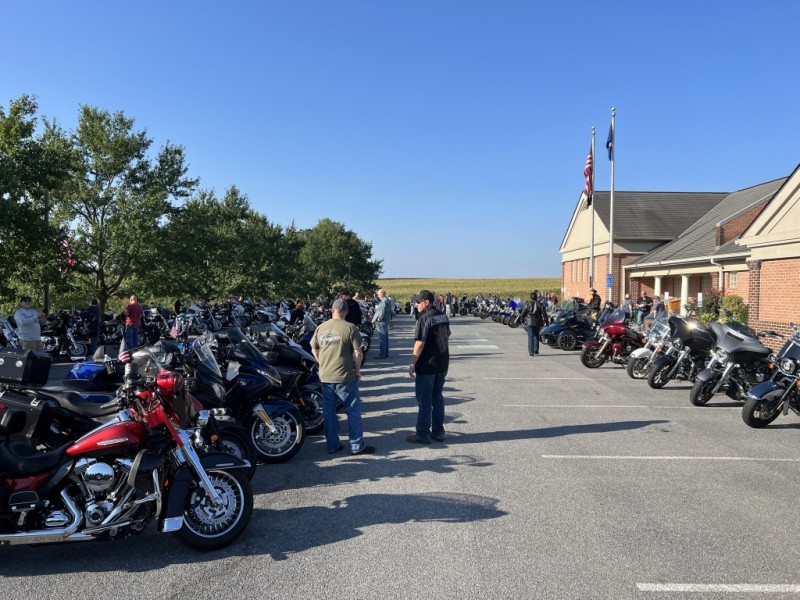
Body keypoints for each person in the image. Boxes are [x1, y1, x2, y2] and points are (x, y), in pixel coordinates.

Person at [310, 298, 375, 456]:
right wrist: (357, 371)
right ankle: (357, 446)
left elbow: (313, 349)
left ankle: (332, 445)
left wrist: (322, 362)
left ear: (332, 310)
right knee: (352, 411)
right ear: (346, 311)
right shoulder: (350, 328)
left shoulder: (321, 327)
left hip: (326, 376)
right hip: (345, 376)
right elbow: (359, 353)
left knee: (329, 412)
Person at [407, 290, 450, 444]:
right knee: (437, 398)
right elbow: (447, 335)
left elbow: (419, 342)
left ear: (426, 302)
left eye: (418, 302)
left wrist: (412, 363)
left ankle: (422, 434)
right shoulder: (443, 316)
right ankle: (438, 431)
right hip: (442, 363)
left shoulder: (424, 319)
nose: (416, 305)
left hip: (427, 365)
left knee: (425, 401)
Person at [519, 291, 546, 356]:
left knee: (530, 336)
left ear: (530, 297)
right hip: (537, 322)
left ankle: (531, 352)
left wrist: (521, 319)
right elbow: (544, 314)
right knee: (536, 336)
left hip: (529, 322)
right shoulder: (540, 304)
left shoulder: (527, 304)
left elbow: (523, 313)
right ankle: (536, 350)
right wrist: (546, 321)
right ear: (536, 297)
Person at [371, 288, 392, 359]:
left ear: (381, 294)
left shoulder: (384, 301)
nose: (378, 296)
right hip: (386, 320)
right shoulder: (388, 300)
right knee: (385, 337)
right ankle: (386, 352)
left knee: (382, 338)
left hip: (381, 321)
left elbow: (381, 312)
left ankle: (382, 353)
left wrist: (378, 319)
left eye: (378, 294)